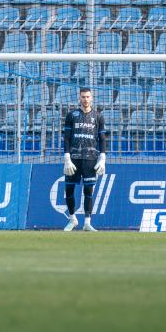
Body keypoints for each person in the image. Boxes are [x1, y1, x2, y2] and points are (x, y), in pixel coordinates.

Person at [62, 87, 107, 232]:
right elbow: (67, 138)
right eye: (83, 97)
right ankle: (72, 219)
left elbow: (102, 139)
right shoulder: (71, 115)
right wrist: (67, 157)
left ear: (91, 98)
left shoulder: (98, 116)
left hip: (90, 158)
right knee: (69, 190)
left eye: (88, 97)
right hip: (73, 158)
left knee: (88, 191)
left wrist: (102, 157)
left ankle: (87, 223)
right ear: (79, 98)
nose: (85, 99)